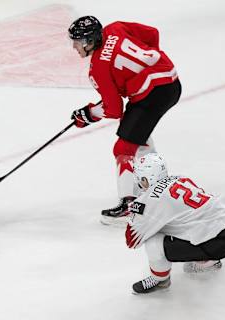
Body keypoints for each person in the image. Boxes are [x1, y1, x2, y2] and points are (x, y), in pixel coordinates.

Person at [67, 16, 181, 224]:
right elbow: (152, 33)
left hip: (151, 96)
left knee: (123, 149)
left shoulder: (98, 68)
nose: (75, 46)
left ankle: (129, 205)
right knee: (138, 138)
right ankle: (158, 186)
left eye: (78, 41)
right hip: (170, 79)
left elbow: (113, 109)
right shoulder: (115, 28)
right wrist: (148, 66)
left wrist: (88, 114)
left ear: (90, 41)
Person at [125, 153, 225, 294]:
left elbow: (132, 240)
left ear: (146, 178)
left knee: (153, 240)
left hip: (219, 241)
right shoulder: (180, 178)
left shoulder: (149, 201)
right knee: (188, 221)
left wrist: (134, 213)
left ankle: (160, 279)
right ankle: (208, 260)